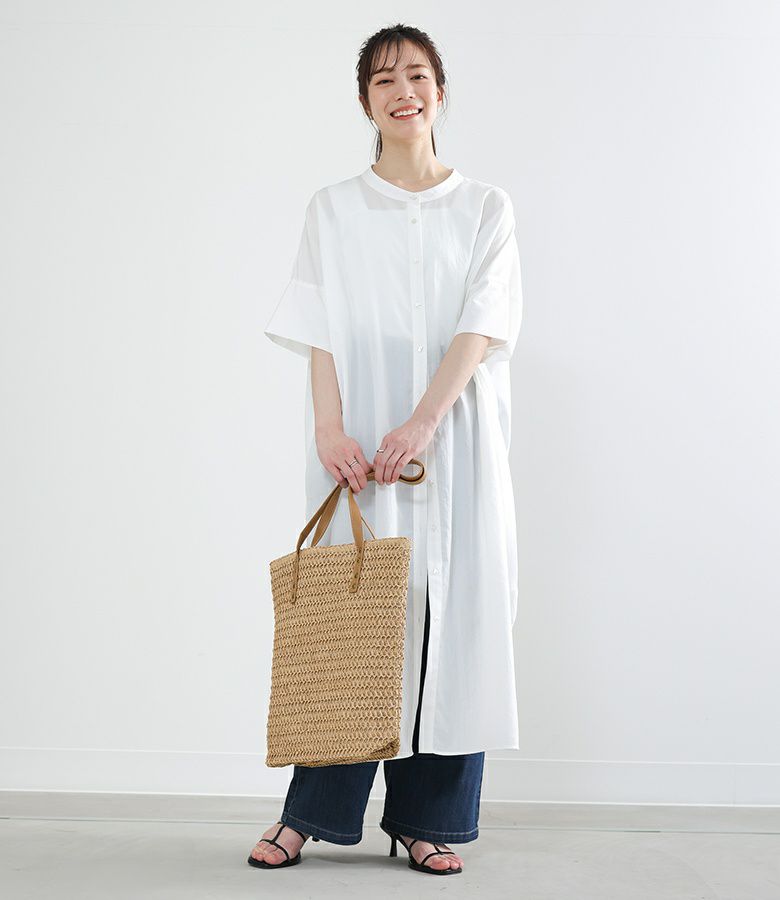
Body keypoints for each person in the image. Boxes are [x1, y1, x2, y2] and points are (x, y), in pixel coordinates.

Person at [250, 22, 523, 876]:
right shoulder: (333, 209)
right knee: (351, 623)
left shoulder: (486, 208)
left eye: (417, 75)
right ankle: (309, 814)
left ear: (441, 89)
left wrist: (424, 422)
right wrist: (329, 429)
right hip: (360, 447)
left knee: (452, 623)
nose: (403, 92)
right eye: (384, 80)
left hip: (456, 441)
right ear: (365, 102)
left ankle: (425, 821)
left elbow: (481, 325)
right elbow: (319, 327)